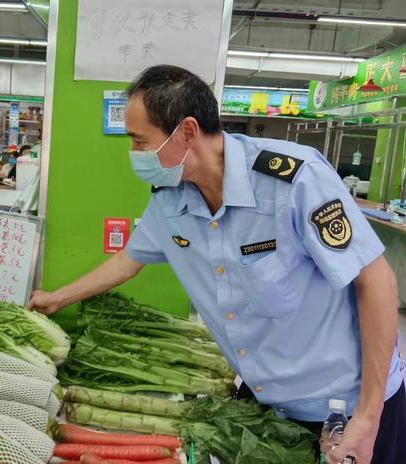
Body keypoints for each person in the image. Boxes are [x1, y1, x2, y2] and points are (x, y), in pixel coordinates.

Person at [29, 65, 405, 464]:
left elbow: (376, 279)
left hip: (343, 409)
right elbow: (129, 259)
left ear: (187, 132)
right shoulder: (171, 199)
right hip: (266, 405)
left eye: (140, 141)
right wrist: (58, 298)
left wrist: (367, 418)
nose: (135, 155)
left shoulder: (294, 181)